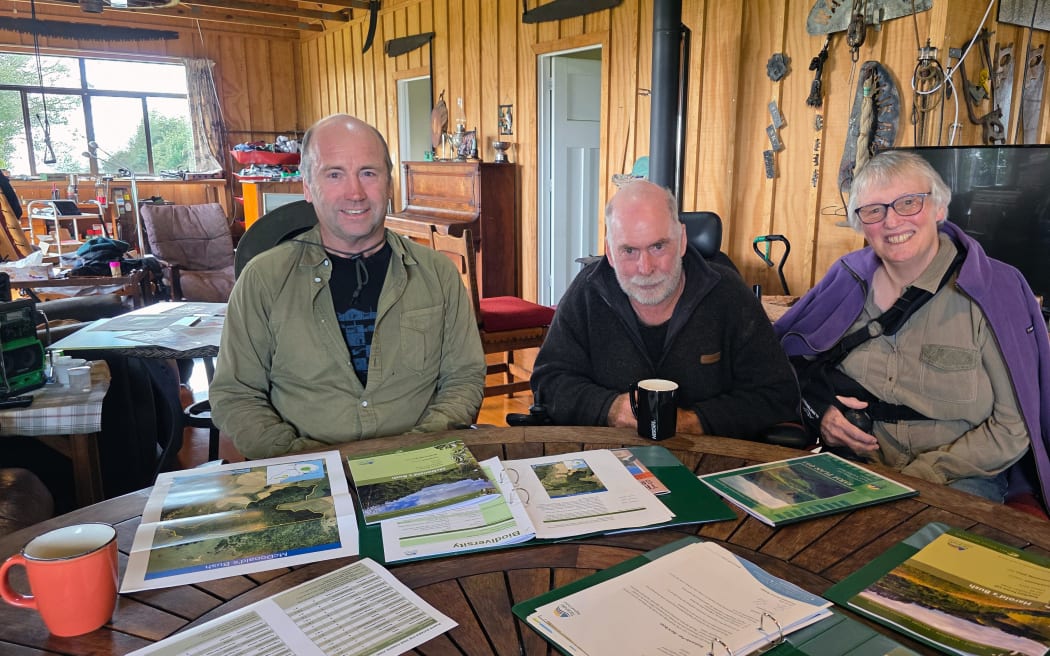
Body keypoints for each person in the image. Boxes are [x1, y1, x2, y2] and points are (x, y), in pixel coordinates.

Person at [775, 150, 1050, 504]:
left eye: (909, 202)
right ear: (860, 224)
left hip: (956, 480)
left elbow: (1013, 428)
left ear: (939, 208)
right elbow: (787, 366)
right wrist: (821, 416)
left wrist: (919, 477)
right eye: (874, 210)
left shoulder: (995, 290)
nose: (892, 222)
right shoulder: (845, 280)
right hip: (851, 468)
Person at [211, 114, 486, 459]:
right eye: (335, 174)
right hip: (305, 477)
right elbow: (236, 395)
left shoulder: (438, 274)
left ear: (389, 184)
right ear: (308, 188)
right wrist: (307, 460)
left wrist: (416, 453)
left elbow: (464, 377)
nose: (355, 193)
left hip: (422, 466)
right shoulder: (263, 280)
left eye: (368, 173)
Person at [530, 179, 799, 439]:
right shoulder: (588, 291)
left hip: (708, 467)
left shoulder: (728, 294)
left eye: (658, 246)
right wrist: (610, 409)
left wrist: (695, 421)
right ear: (609, 252)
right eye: (629, 251)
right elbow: (548, 382)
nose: (645, 268)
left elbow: (778, 394)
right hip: (611, 462)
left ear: (682, 239)